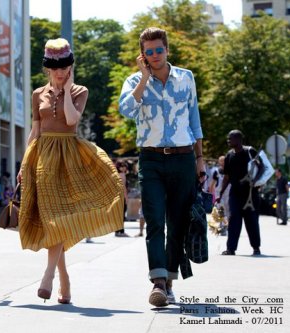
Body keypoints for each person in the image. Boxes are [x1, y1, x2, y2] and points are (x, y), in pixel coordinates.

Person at [17, 38, 124, 304]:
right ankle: (61, 279)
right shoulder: (36, 94)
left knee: (62, 217)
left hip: (70, 157)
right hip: (43, 157)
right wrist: (23, 163)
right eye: (55, 67)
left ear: (71, 66)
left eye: (65, 66)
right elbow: (36, 130)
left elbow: (72, 119)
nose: (60, 71)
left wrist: (65, 90)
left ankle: (50, 275)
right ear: (47, 68)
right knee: (53, 217)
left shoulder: (79, 91)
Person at [119, 27, 205, 307]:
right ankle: (156, 282)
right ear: (142, 55)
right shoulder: (134, 81)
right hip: (151, 158)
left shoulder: (186, 78)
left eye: (159, 50)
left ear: (167, 49)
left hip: (183, 158)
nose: (155, 55)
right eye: (149, 52)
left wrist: (200, 159)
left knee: (177, 223)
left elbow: (194, 118)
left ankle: (169, 281)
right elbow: (127, 110)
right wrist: (144, 79)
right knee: (155, 220)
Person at [216, 130, 261, 256]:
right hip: (235, 193)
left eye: (231, 138)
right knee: (234, 218)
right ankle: (231, 249)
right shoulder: (229, 155)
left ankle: (256, 247)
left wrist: (256, 180)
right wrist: (220, 193)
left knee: (251, 220)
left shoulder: (250, 151)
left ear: (239, 139)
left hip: (250, 193)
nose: (228, 141)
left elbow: (262, 167)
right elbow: (227, 177)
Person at [115, 160, 130, 237]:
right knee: (122, 215)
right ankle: (121, 231)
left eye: (124, 166)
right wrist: (126, 197)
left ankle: (117, 231)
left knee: (118, 215)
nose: (123, 168)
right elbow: (123, 187)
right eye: (122, 166)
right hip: (121, 197)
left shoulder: (116, 174)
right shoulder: (122, 175)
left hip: (116, 197)